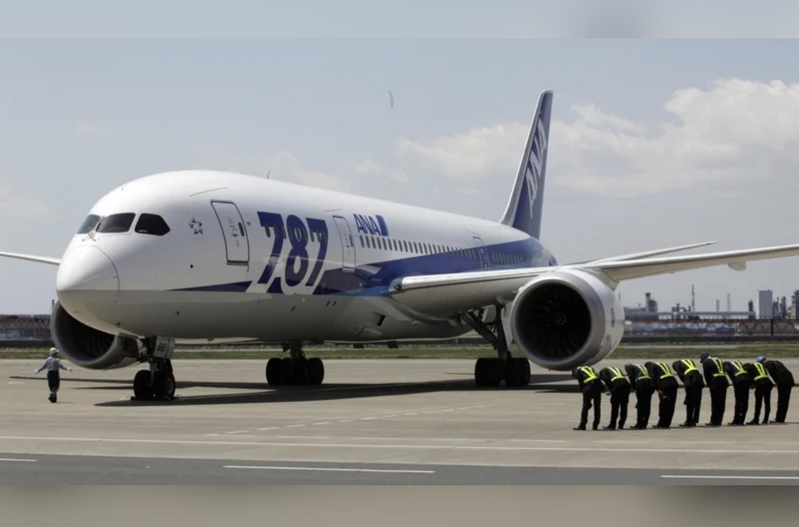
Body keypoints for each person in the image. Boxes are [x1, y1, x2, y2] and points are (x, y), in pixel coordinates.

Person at [759, 357, 794, 424]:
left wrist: (775, 382)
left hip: (783, 381)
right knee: (784, 400)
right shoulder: (776, 362)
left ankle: (779, 419)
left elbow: (772, 373)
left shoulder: (767, 364)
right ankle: (780, 418)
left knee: (782, 400)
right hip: (789, 379)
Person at [672, 359, 704, 427]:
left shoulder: (676, 364)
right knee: (697, 400)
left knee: (689, 400)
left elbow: (680, 374)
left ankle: (689, 420)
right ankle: (694, 420)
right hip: (698, 376)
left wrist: (685, 382)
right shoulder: (688, 361)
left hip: (690, 377)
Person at [646, 361, 678, 429]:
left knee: (663, 404)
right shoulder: (662, 364)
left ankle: (662, 423)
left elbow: (652, 379)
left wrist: (657, 389)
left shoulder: (651, 367)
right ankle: (667, 423)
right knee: (671, 404)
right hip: (673, 382)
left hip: (665, 383)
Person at [700, 353, 729, 426]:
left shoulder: (706, 362)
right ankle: (719, 420)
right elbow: (725, 369)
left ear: (703, 358)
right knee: (721, 402)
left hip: (715, 381)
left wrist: (709, 384)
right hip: (723, 381)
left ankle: (714, 420)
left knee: (715, 402)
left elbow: (706, 374)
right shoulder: (719, 360)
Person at [572, 366, 604, 431]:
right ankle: (595, 425)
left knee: (585, 406)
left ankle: (582, 425)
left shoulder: (576, 371)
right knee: (597, 406)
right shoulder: (589, 368)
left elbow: (580, 382)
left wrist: (584, 392)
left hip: (589, 386)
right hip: (598, 384)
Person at [625, 363, 654, 429]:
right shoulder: (641, 366)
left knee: (641, 404)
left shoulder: (630, 368)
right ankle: (644, 423)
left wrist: (634, 387)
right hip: (648, 382)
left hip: (641, 382)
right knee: (647, 404)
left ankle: (639, 424)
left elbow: (631, 378)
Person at [744, 361, 773, 425]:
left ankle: (756, 419)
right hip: (768, 383)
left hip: (760, 383)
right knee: (767, 402)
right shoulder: (760, 365)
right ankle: (766, 419)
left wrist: (751, 385)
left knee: (758, 403)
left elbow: (750, 379)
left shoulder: (749, 368)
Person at [723, 360, 751, 426]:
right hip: (746, 378)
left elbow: (728, 370)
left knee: (738, 401)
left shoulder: (726, 364)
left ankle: (736, 420)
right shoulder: (738, 362)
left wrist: (733, 380)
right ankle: (742, 420)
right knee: (745, 400)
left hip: (739, 379)